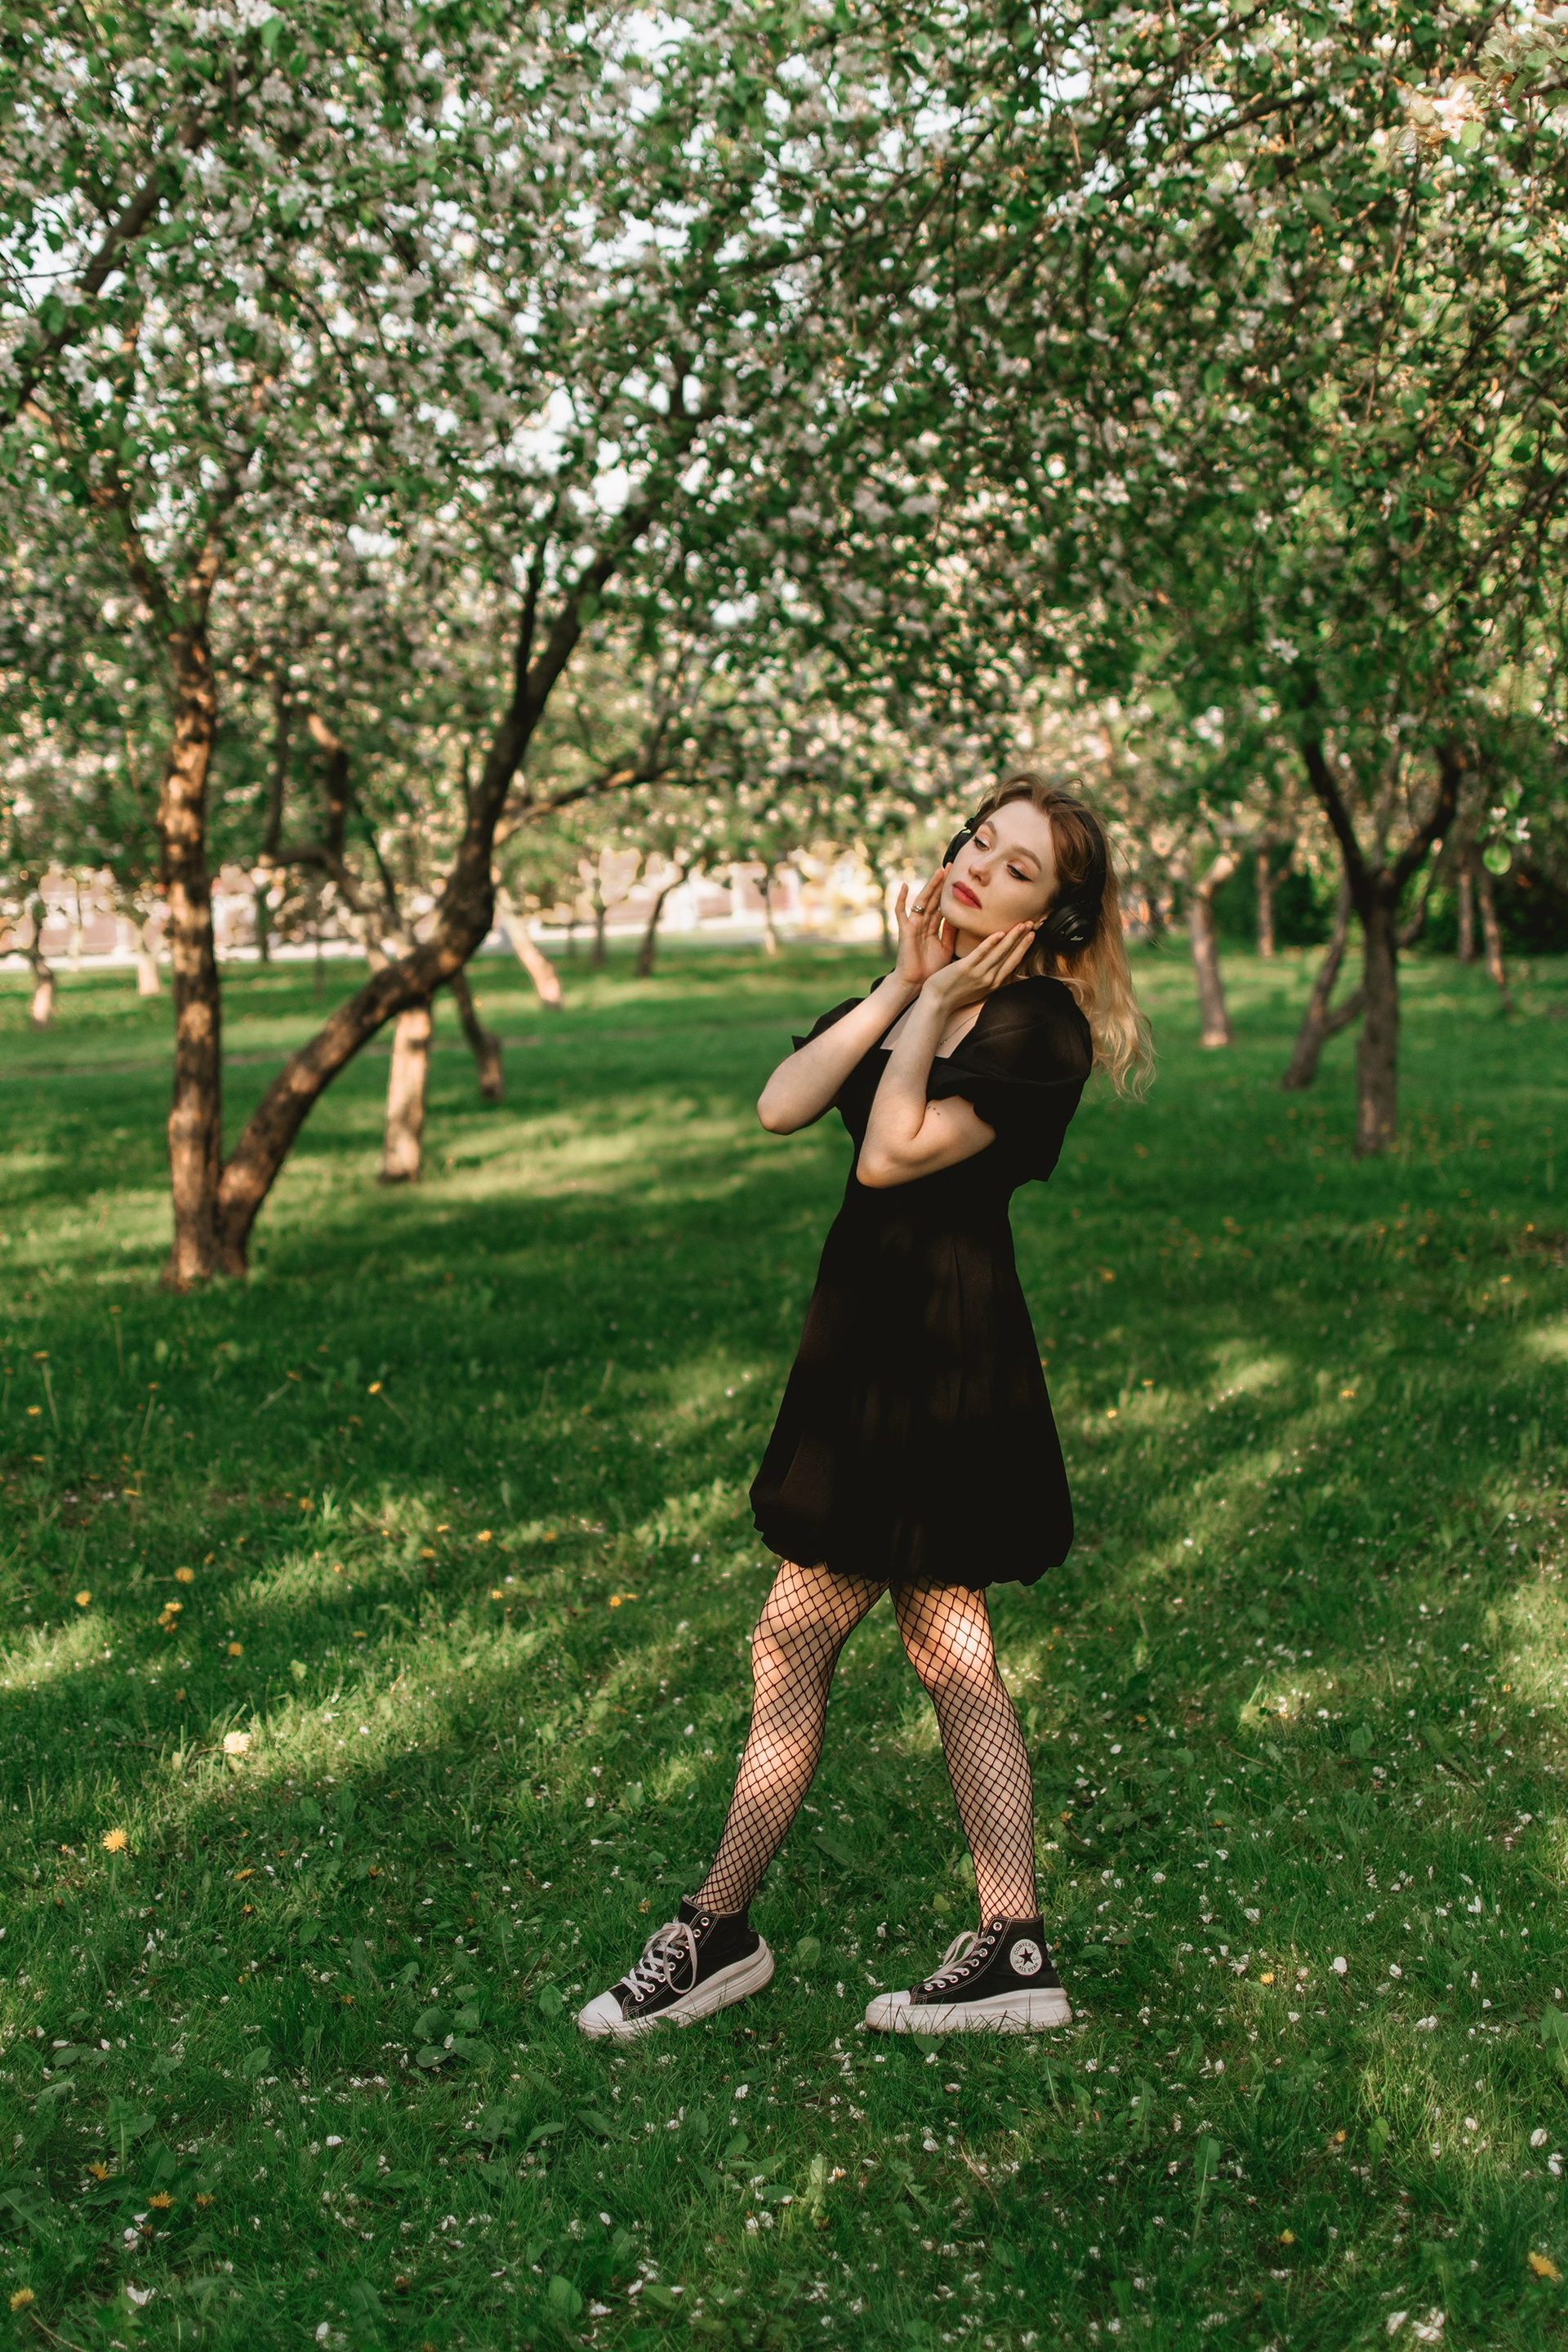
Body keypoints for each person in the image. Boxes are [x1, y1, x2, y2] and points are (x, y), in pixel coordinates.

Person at [577, 776, 1152, 2042]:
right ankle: (1011, 1949)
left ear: (1055, 917)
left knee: (800, 1636)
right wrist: (903, 986)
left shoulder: (1039, 1032)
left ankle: (718, 1931)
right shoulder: (918, 993)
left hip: (935, 1368)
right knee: (948, 1651)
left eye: (1015, 869)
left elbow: (890, 1154)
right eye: (978, 843)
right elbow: (783, 1104)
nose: (976, 869)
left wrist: (937, 1005)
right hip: (865, 1352)